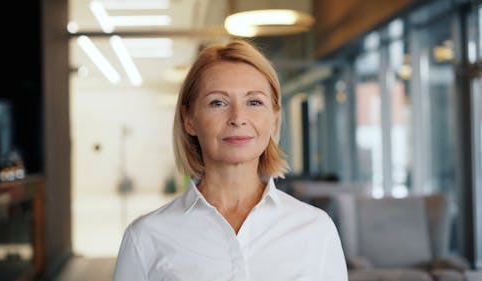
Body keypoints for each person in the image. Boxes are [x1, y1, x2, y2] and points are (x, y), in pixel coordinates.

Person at [113, 39, 348, 281]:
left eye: (254, 102)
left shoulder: (316, 229)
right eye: (218, 103)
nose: (238, 118)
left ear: (274, 119)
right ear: (189, 120)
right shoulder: (145, 238)